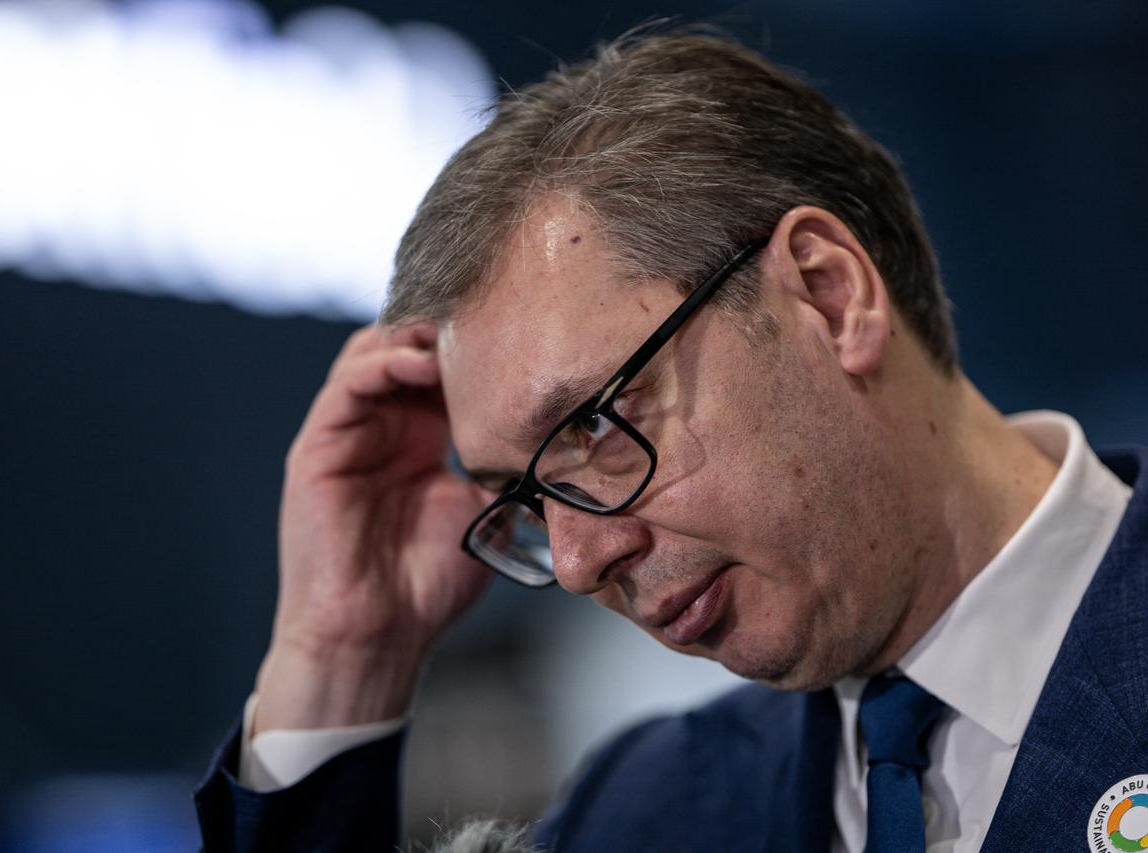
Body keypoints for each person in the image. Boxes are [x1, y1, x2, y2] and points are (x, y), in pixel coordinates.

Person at [194, 27, 1146, 853]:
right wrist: (340, 655)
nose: (573, 561)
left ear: (828, 295)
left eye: (598, 426)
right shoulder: (644, 812)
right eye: (522, 497)